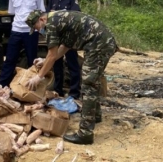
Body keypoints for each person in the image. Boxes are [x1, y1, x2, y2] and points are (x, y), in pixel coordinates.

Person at [25, 10, 117, 145]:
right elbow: (65, 47)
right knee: (92, 80)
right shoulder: (58, 19)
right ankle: (94, 115)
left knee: (88, 83)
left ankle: (85, 133)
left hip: (99, 44)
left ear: (42, 20)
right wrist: (45, 61)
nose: (39, 31)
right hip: (101, 42)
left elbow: (52, 55)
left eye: (37, 28)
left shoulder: (51, 25)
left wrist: (39, 77)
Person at [0, 0, 45, 87]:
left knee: (32, 60)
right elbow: (12, 12)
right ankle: (2, 86)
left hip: (30, 32)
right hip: (16, 30)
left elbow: (42, 12)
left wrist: (40, 28)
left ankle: (32, 86)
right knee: (10, 59)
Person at [47, 0, 81, 99]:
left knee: (72, 63)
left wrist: (58, 13)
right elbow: (48, 15)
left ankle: (74, 92)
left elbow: (75, 14)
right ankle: (58, 90)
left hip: (69, 36)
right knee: (56, 63)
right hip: (57, 36)